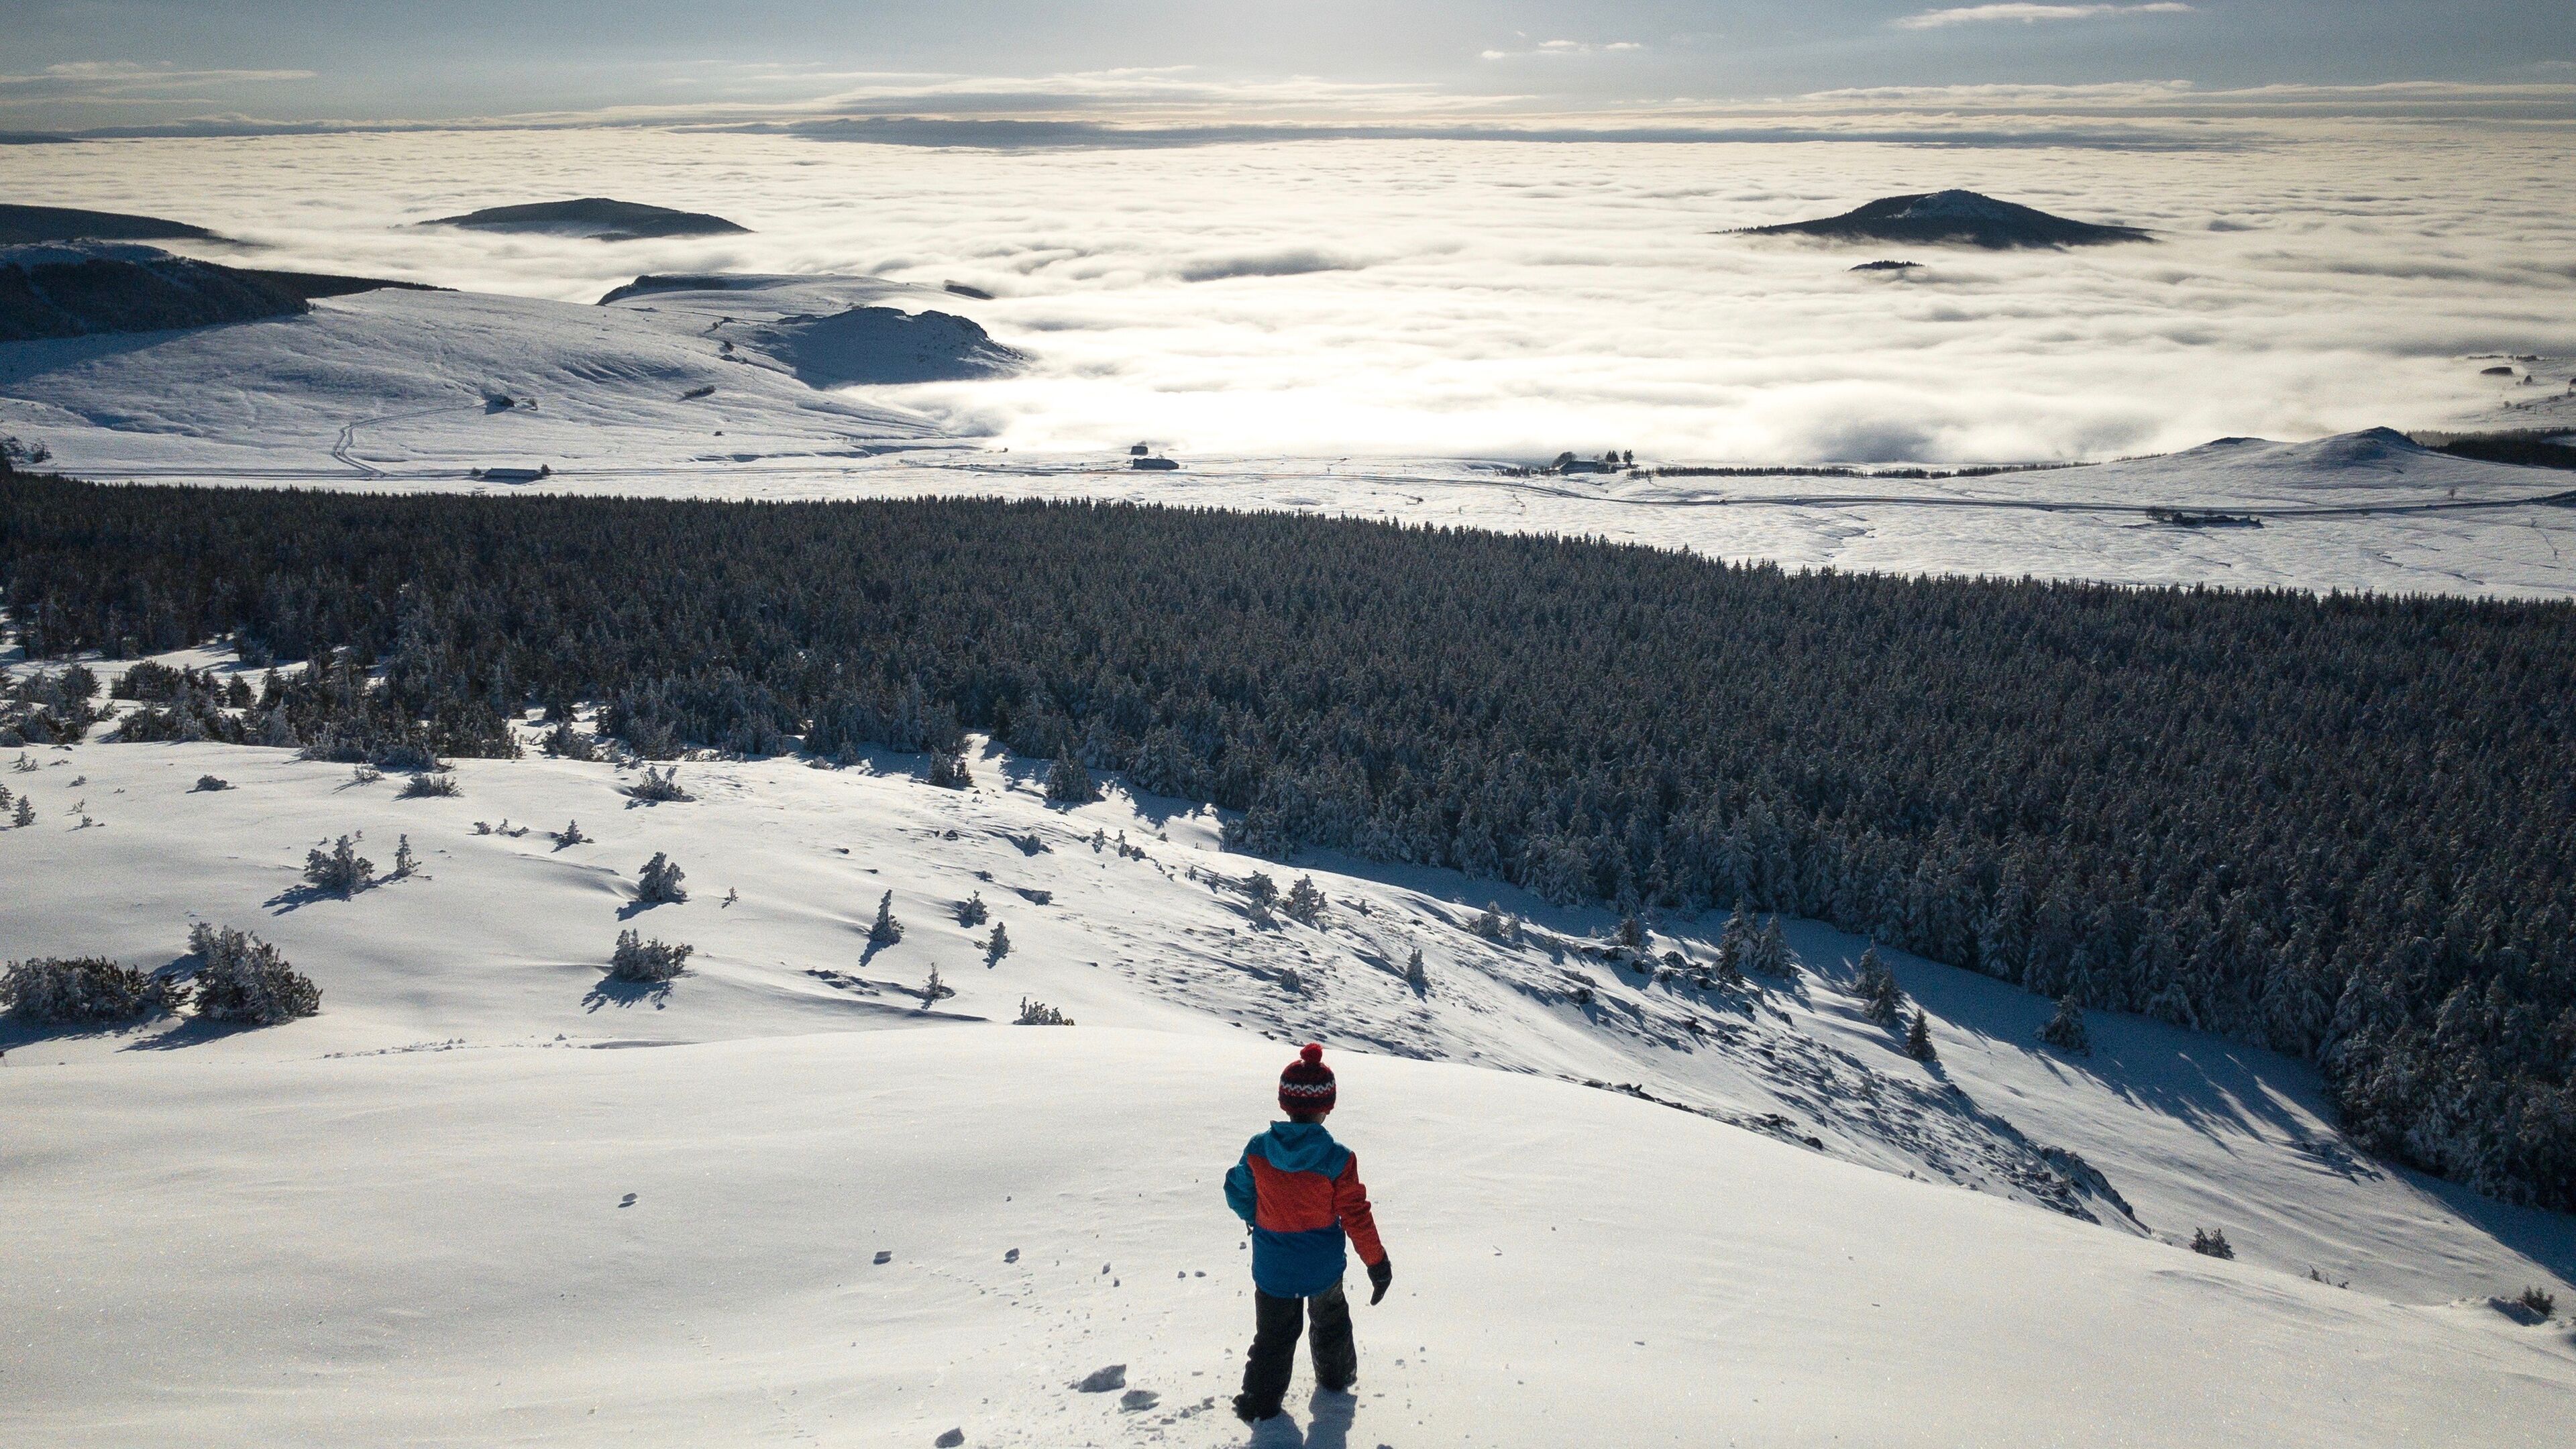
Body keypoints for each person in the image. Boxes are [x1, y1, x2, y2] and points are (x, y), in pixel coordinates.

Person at [1224, 1042, 1393, 1425]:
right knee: (1331, 1323)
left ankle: (1260, 1400)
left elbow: (1236, 1191)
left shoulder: (1258, 1150)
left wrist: (1259, 1216)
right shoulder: (1337, 1158)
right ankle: (1337, 1381)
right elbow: (1356, 1216)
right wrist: (1377, 1262)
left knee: (1274, 1336)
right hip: (1323, 1268)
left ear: (1285, 1103)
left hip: (1273, 1267)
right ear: (1327, 1107)